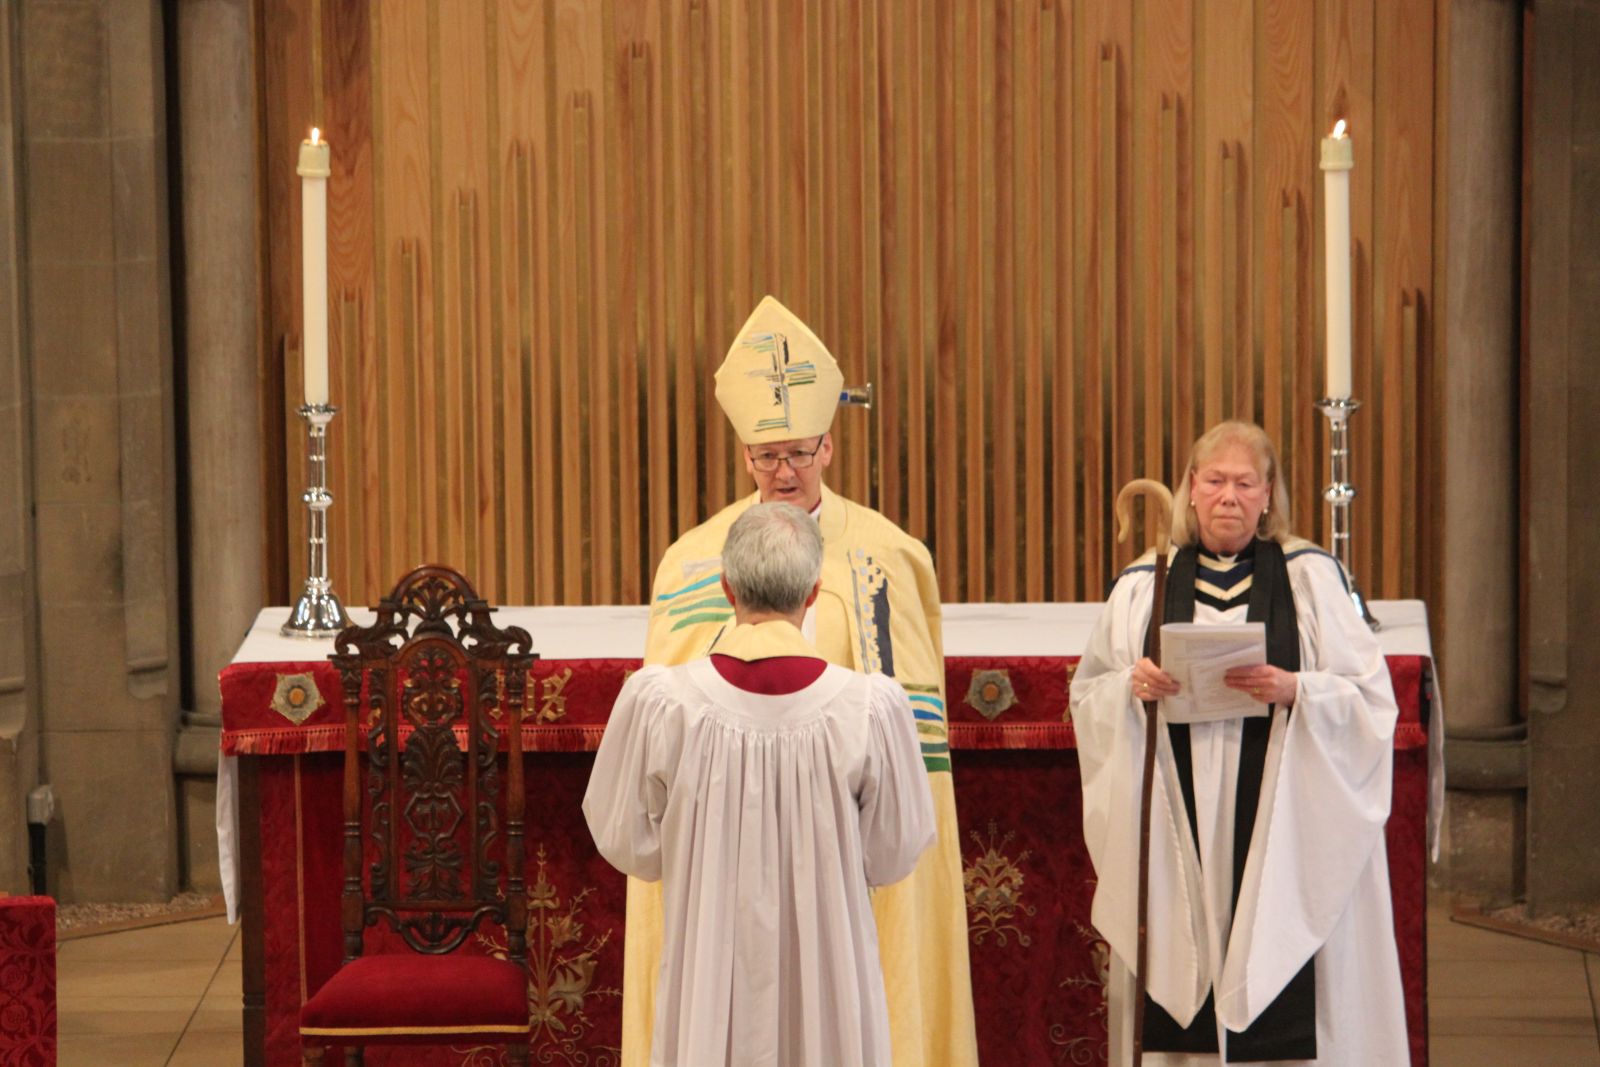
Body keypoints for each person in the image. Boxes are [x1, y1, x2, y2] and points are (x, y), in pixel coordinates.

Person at [624, 295, 980, 1067]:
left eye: (799, 453)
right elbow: (665, 729)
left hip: (837, 858)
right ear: (746, 455)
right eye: (766, 456)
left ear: (829, 445)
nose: (783, 471)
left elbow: (915, 758)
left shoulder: (889, 557)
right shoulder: (695, 559)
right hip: (723, 852)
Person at [1069, 420, 1409, 1066]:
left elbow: (1370, 700)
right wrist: (1130, 686)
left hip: (1280, 822)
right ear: (1191, 489)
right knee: (1183, 959)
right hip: (1180, 815)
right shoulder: (1145, 581)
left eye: (1245, 483)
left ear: (1268, 494)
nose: (1229, 496)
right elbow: (1090, 693)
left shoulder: (1312, 580)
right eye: (1216, 480)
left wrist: (1296, 689)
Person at [584, 502, 936, 1067]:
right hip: (829, 971)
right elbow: (894, 852)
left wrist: (695, 856)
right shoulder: (866, 706)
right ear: (814, 593)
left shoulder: (666, 702)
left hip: (708, 962)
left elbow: (626, 839)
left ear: (726, 588)